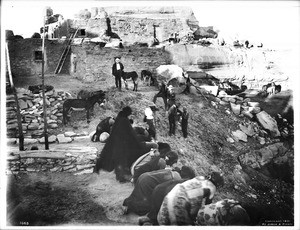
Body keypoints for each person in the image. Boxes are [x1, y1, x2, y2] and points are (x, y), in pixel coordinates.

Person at [94, 106, 144, 182]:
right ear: (127, 112)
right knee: (120, 160)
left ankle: (101, 168)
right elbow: (130, 133)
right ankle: (120, 177)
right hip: (121, 144)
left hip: (115, 142)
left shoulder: (120, 118)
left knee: (112, 158)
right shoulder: (124, 120)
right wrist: (137, 141)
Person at [157, 172, 224, 225]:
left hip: (172, 194)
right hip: (181, 202)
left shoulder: (199, 177)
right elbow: (207, 207)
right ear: (217, 184)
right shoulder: (212, 188)